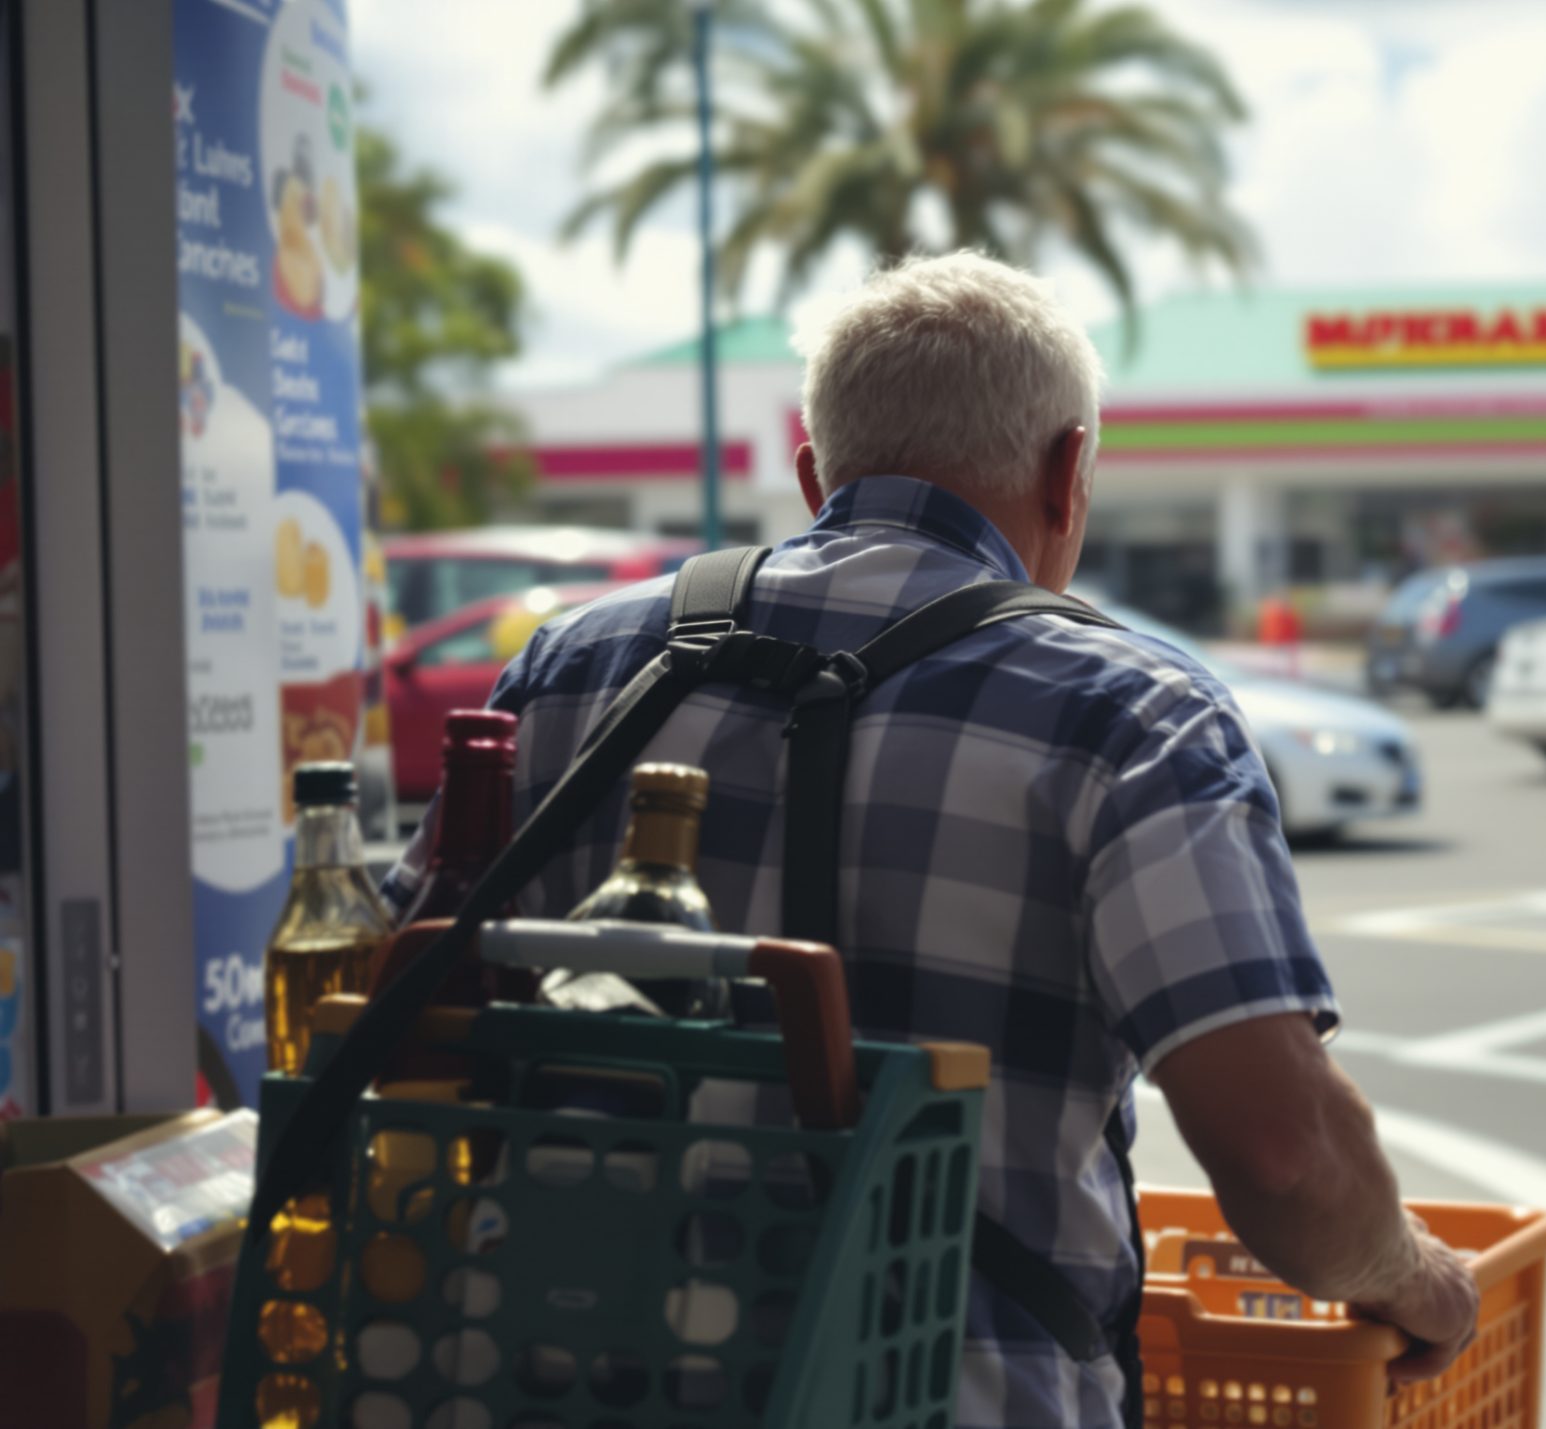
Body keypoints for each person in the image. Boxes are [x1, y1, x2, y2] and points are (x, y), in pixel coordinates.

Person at [383, 252, 1478, 1428]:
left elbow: (394, 996)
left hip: (540, 1382)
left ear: (814, 474)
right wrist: (1420, 1280)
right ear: (1070, 474)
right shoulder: (1133, 713)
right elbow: (1283, 1153)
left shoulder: (570, 665)